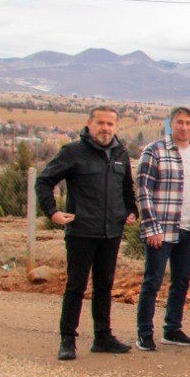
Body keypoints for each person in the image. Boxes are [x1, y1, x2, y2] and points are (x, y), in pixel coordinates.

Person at [35, 105, 138, 360]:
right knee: (76, 286)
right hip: (81, 231)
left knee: (104, 286)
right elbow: (44, 181)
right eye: (100, 123)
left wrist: (130, 210)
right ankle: (67, 340)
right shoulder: (73, 152)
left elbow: (126, 186)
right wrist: (52, 212)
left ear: (116, 127)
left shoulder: (120, 153)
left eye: (110, 124)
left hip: (111, 232)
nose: (105, 128)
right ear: (89, 124)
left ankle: (103, 337)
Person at [135, 106, 190, 350]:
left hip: (189, 228)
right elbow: (143, 189)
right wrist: (151, 227)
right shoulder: (155, 151)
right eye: (180, 122)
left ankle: (172, 329)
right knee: (153, 281)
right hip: (162, 229)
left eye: (189, 123)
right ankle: (144, 332)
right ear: (171, 123)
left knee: (181, 281)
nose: (184, 127)